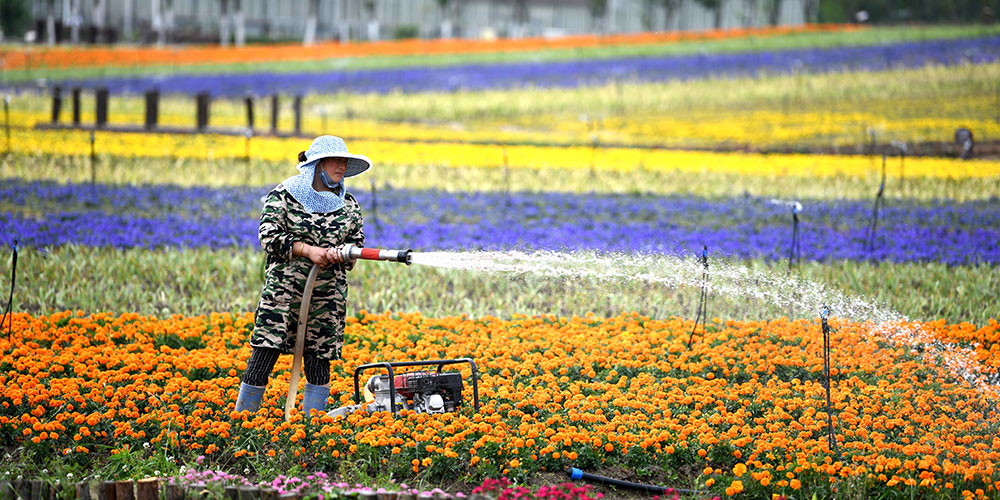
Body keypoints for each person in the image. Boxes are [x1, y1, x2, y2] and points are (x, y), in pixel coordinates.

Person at [234, 135, 369, 416]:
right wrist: (308, 251)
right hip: (284, 293)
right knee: (265, 351)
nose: (342, 166)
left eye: (345, 161)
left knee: (319, 359)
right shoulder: (284, 196)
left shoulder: (349, 205)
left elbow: (357, 243)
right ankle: (243, 422)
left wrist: (341, 254)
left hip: (327, 296)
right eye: (337, 160)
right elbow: (269, 237)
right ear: (318, 164)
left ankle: (313, 429)